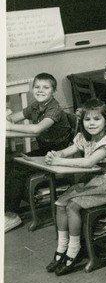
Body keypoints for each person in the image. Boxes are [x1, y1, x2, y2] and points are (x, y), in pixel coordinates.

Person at [44, 99, 106, 276]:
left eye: (96, 119)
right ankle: (62, 248)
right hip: (96, 180)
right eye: (87, 120)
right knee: (60, 203)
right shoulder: (85, 137)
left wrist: (60, 161)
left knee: (72, 205)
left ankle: (73, 251)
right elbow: (71, 149)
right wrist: (57, 154)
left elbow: (89, 161)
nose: (91, 123)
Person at [5, 73, 74, 232]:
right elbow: (14, 117)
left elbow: (37, 129)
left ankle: (12, 216)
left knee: (17, 168)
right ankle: (7, 208)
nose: (40, 90)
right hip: (45, 149)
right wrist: (7, 120)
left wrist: (8, 126)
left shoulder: (54, 109)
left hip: (58, 153)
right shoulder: (36, 105)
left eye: (46, 87)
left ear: (54, 90)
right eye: (37, 87)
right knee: (9, 164)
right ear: (32, 89)